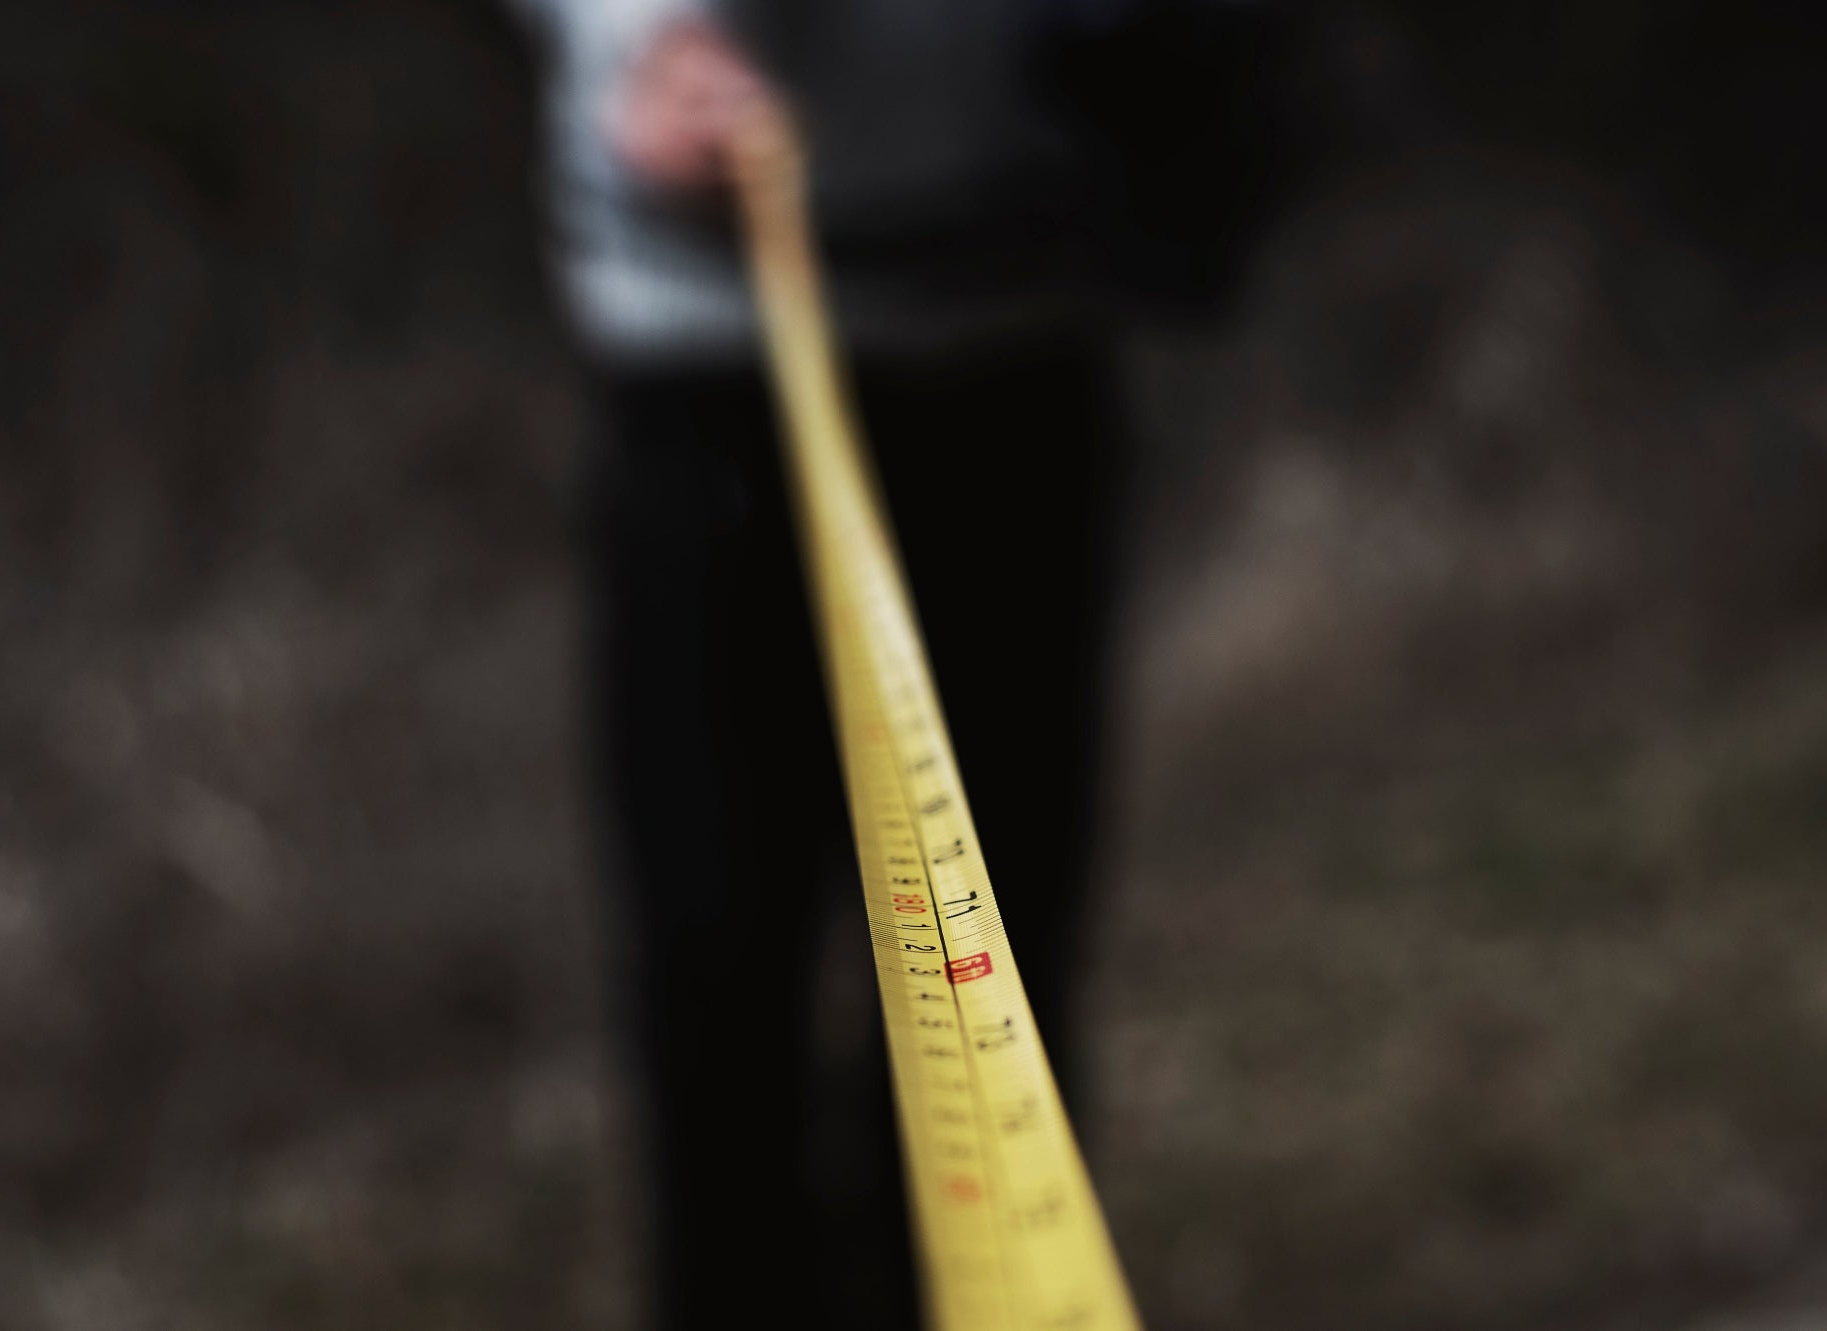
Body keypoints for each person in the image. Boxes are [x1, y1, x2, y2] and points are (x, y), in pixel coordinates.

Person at [504, 2, 1281, 1325]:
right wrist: (645, 31)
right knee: (713, 994)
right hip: (701, 359)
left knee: (998, 973)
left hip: (1019, 335)